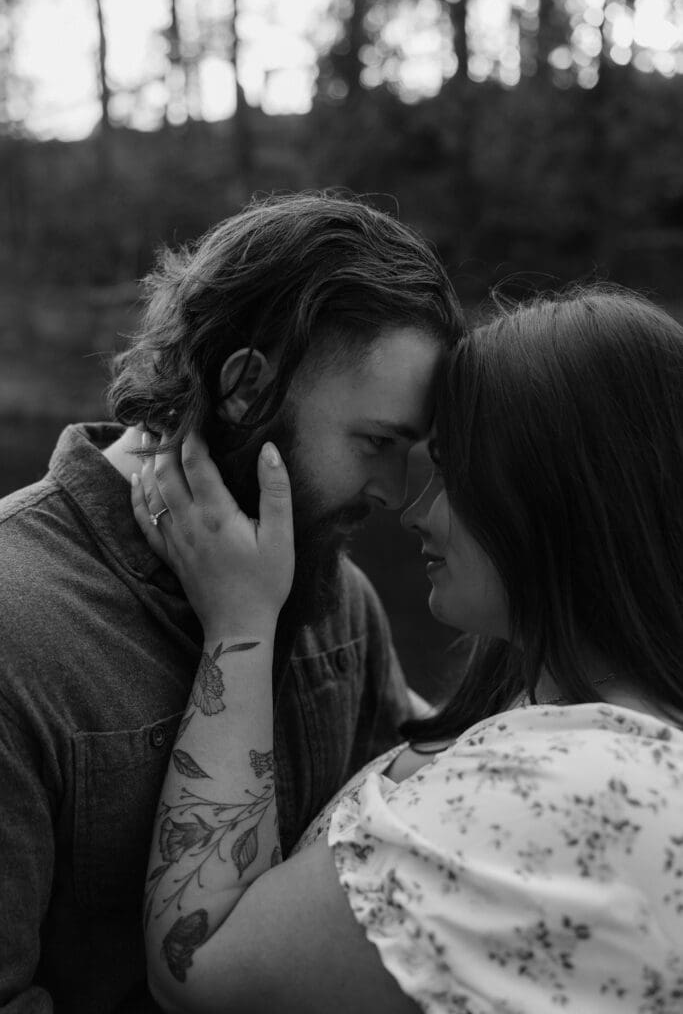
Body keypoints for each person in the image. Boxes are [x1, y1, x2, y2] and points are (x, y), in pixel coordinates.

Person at [135, 284, 683, 1013]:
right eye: (381, 445)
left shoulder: (571, 789)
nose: (414, 507)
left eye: (453, 475)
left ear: (557, 494)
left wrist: (239, 622)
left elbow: (197, 968)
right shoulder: (589, 720)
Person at [0, 191, 462, 1012]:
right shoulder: (15, 624)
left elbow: (398, 858)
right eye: (375, 445)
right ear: (246, 387)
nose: (395, 494)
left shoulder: (335, 596)